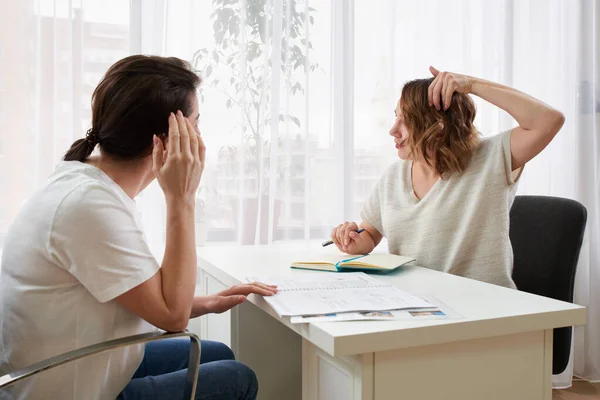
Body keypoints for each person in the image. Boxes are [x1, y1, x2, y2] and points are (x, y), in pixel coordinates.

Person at [0, 55, 276, 400]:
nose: (200, 137)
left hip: (64, 366)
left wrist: (202, 302)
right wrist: (181, 197)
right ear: (165, 139)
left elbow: (127, 290)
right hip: (63, 391)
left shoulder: (84, 182)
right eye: (195, 124)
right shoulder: (89, 207)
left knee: (216, 353)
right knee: (237, 378)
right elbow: (172, 318)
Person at [331, 66, 565, 289]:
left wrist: (471, 84)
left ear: (438, 125)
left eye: (406, 120)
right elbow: (370, 233)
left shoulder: (491, 158)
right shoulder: (393, 177)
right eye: (395, 117)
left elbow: (549, 121)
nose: (393, 129)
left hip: (483, 311)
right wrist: (354, 240)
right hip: (418, 308)